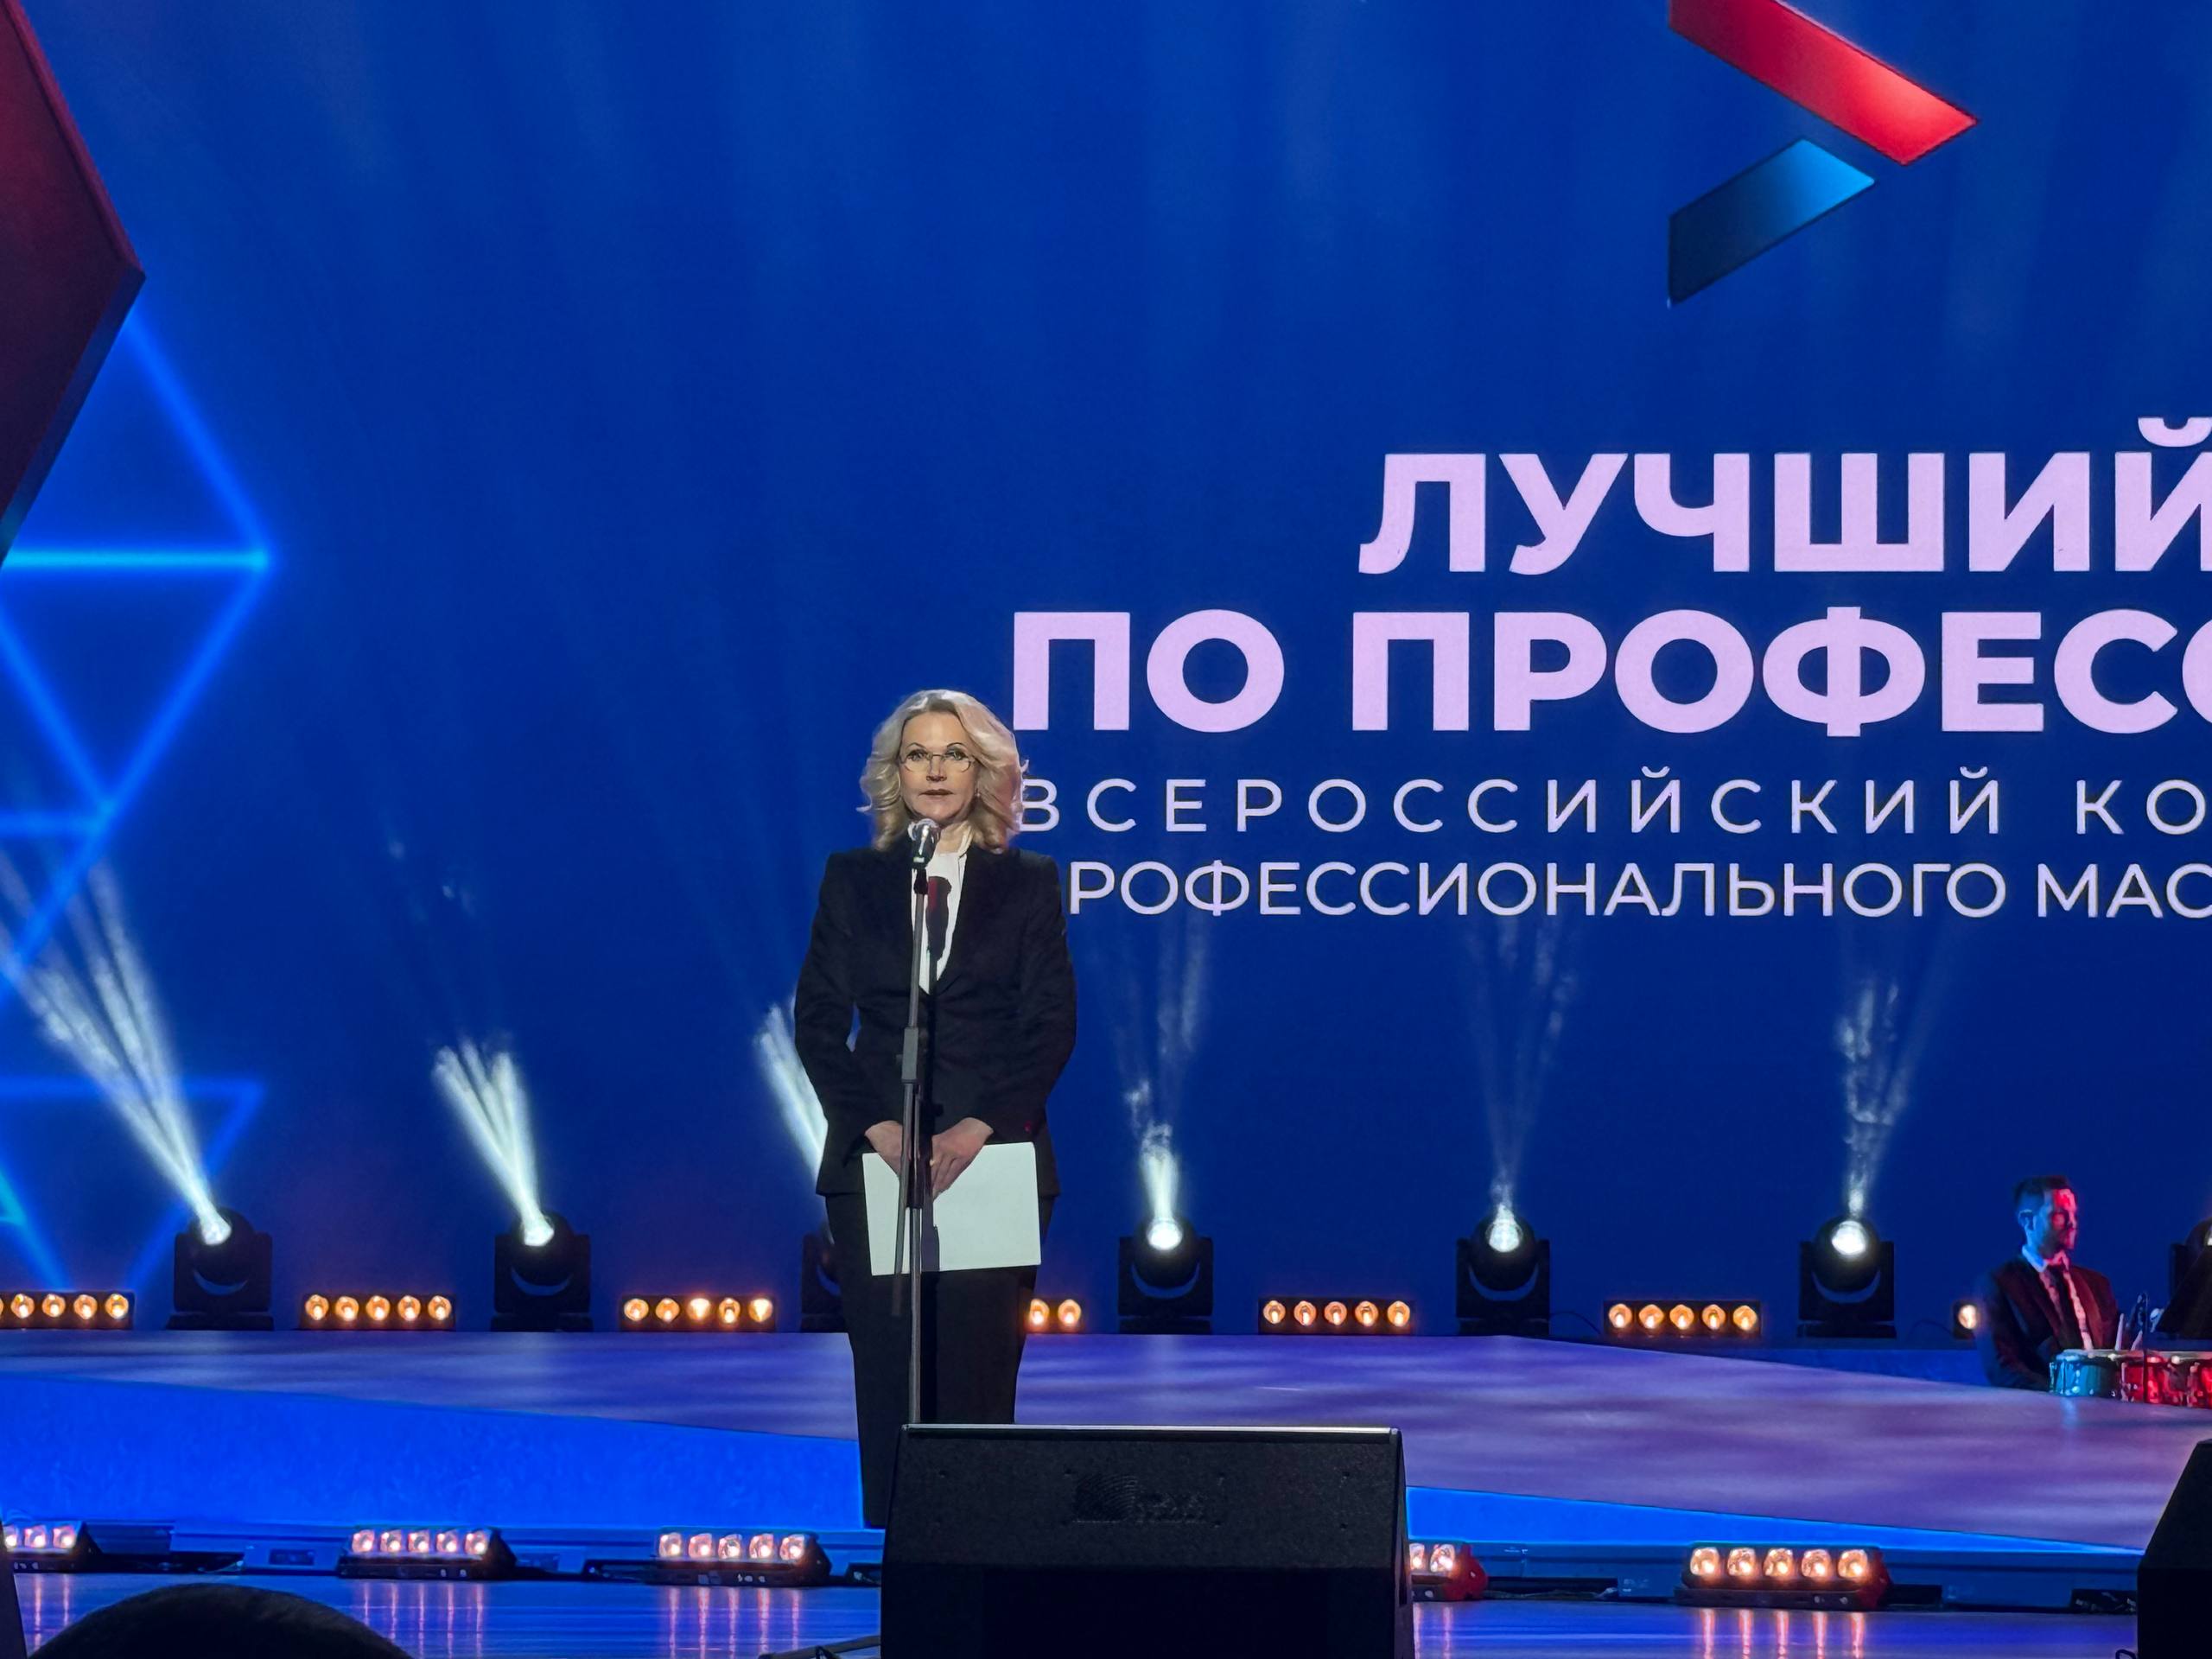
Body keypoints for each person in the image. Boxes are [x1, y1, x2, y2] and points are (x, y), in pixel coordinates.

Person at [794, 688, 1076, 1528]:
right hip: (879, 1159)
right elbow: (817, 1023)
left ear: (984, 771)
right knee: (891, 1369)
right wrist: (877, 1126)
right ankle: (901, 1559)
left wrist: (978, 1127)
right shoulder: (854, 879)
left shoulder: (1026, 883)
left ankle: (977, 1550)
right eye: (918, 754)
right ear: (895, 772)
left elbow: (1050, 1025)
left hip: (992, 1158)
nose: (936, 770)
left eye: (955, 754)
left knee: (978, 1372)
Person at [1973, 1176, 2119, 1389]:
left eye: (2073, 1214)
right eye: (2060, 1215)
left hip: (2102, 1403)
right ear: (2028, 1221)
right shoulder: (1999, 1285)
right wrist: (2059, 1394)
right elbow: (2002, 1367)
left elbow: (2117, 1346)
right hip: (2041, 1406)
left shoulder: (2097, 1285)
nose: (2072, 1223)